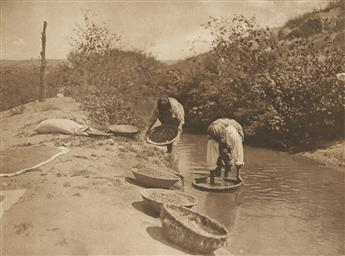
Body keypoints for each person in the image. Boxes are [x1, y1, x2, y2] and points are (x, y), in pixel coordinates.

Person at [206, 118, 245, 184]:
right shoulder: (212, 137)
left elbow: (238, 153)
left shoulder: (232, 135)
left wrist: (238, 175)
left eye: (218, 139)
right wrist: (212, 181)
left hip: (235, 129)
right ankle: (217, 174)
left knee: (228, 157)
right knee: (218, 159)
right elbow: (211, 157)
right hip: (220, 130)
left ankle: (227, 177)